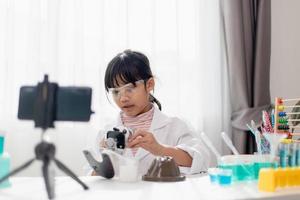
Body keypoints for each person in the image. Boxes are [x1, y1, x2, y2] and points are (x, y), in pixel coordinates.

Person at [92, 49, 209, 175]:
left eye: (130, 88)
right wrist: (106, 159)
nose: (123, 98)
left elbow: (199, 161)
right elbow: (91, 178)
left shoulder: (174, 126)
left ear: (149, 84)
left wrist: (160, 149)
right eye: (116, 92)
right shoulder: (106, 133)